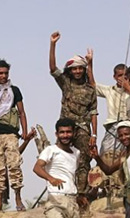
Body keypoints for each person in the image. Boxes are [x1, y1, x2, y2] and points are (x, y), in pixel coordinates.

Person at [49, 31, 98, 204]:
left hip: (84, 129)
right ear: (70, 70)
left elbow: (93, 113)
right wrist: (53, 44)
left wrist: (94, 135)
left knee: (84, 161)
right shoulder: (66, 84)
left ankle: (82, 194)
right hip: (66, 129)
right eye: (74, 68)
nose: (77, 71)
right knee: (61, 159)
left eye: (80, 68)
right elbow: (53, 69)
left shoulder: (90, 90)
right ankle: (61, 190)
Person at [0, 58, 30, 211]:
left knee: (14, 165)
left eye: (6, 73)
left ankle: (18, 198)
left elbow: (22, 112)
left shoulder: (14, 91)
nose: (3, 76)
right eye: (0, 73)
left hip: (11, 133)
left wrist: (24, 130)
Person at [89, 60, 128, 193]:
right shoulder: (109, 90)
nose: (122, 78)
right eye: (120, 75)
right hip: (112, 128)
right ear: (115, 77)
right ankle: (101, 188)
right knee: (106, 154)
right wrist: (90, 64)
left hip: (128, 128)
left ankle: (121, 188)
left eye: (125, 76)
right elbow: (92, 84)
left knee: (125, 159)